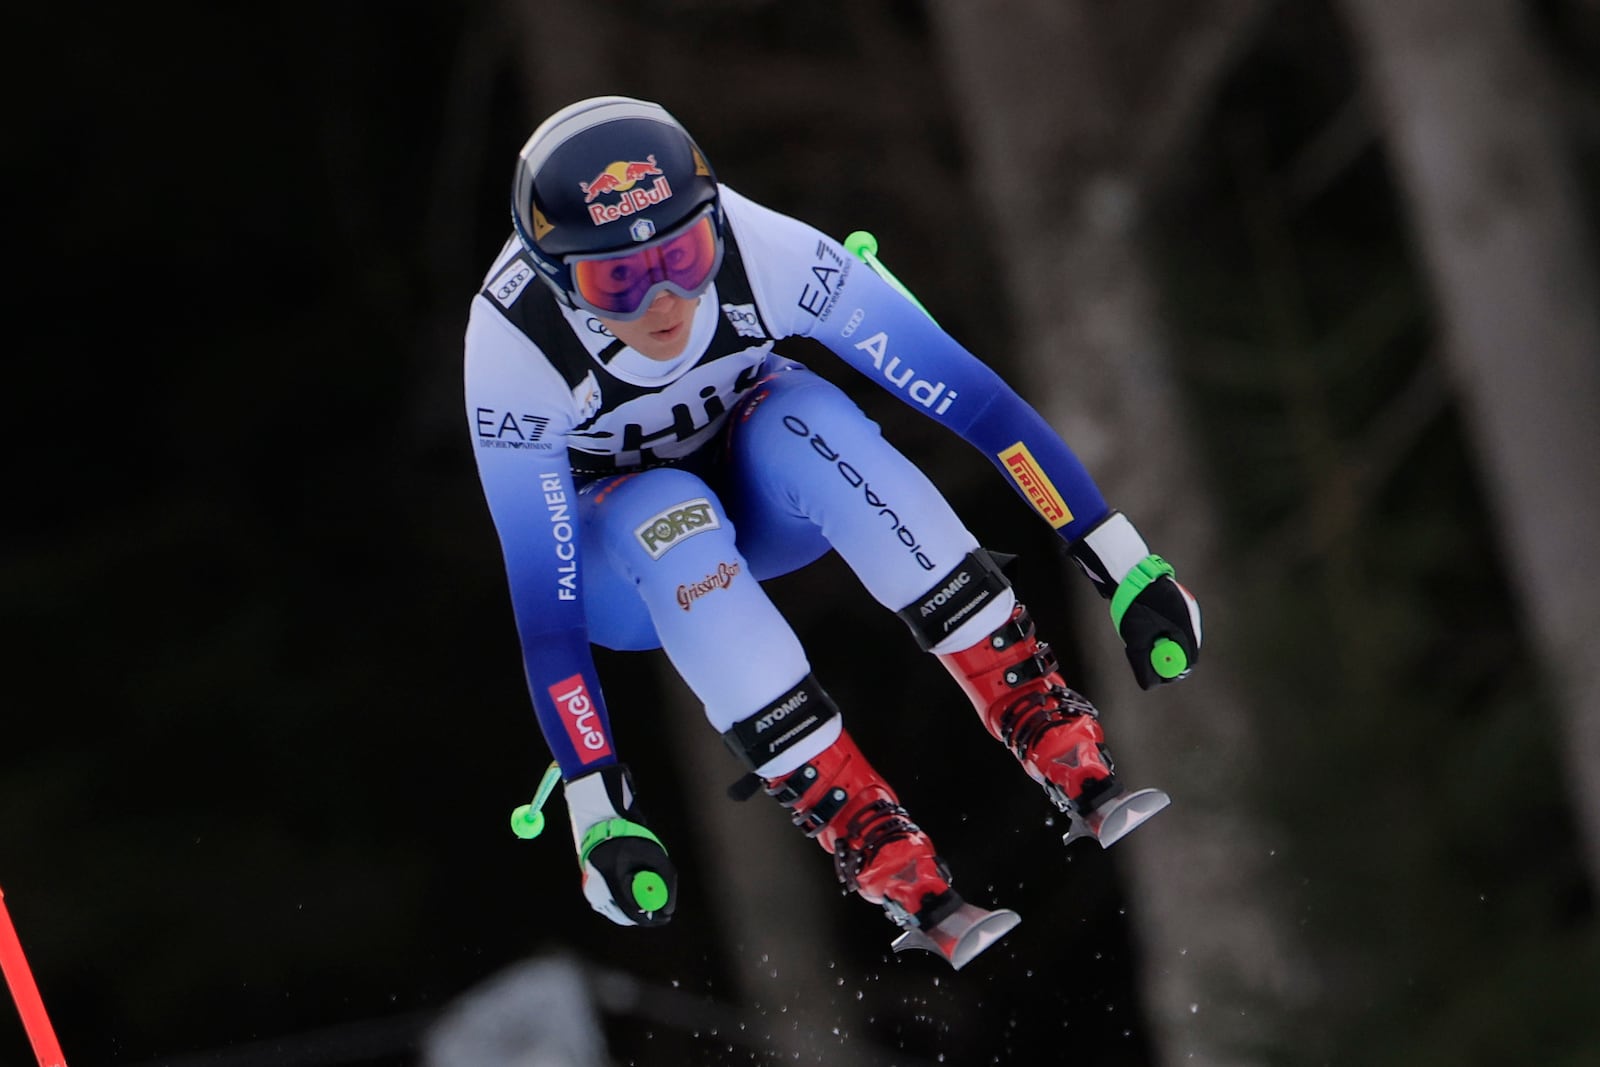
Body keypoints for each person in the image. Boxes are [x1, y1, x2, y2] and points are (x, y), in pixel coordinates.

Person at [464, 96, 1202, 969]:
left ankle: (1034, 707)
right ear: (557, 279)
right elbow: (548, 614)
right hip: (619, 566)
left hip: (767, 486)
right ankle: (862, 823)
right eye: (617, 281)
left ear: (712, 221)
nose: (663, 298)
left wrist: (1123, 564)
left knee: (808, 418)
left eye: (685, 256)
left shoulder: (763, 249)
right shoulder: (514, 352)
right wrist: (598, 804)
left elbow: (972, 399)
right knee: (661, 510)